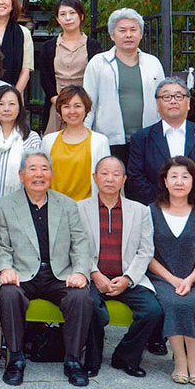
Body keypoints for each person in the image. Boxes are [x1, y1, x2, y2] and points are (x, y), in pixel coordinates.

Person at [0, 151, 94, 387]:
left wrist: (80, 272)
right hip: (22, 272)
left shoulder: (67, 205)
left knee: (80, 297)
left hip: (58, 273)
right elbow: (1, 245)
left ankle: (73, 360)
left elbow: (80, 243)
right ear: (21, 175)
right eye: (33, 169)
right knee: (8, 293)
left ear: (51, 174)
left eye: (44, 168)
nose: (39, 174)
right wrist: (5, 269)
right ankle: (15, 359)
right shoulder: (5, 205)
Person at [76, 156, 163, 377]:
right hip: (94, 276)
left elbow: (145, 251)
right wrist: (94, 273)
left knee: (152, 312)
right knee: (90, 306)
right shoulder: (79, 208)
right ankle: (92, 359)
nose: (110, 179)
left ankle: (126, 356)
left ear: (124, 179)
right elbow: (76, 247)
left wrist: (127, 279)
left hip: (128, 278)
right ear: (95, 178)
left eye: (116, 174)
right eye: (104, 173)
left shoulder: (140, 210)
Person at [147, 157, 195, 385]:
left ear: (194, 181)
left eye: (185, 176)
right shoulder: (150, 212)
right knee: (174, 302)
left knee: (191, 302)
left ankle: (194, 362)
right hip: (161, 277)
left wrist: (189, 280)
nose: (179, 182)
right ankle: (180, 361)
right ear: (164, 181)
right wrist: (172, 279)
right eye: (173, 176)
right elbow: (147, 255)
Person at [83, 7, 165, 163]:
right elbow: (88, 103)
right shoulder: (98, 63)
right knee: (110, 185)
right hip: (109, 140)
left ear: (140, 34)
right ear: (112, 35)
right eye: (122, 30)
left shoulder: (153, 63)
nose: (128, 35)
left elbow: (162, 102)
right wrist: (85, 135)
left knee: (141, 186)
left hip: (147, 139)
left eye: (133, 30)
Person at [127, 77, 195, 208]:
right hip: (154, 213)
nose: (173, 101)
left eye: (179, 96)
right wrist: (164, 208)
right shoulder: (141, 139)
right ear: (157, 104)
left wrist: (193, 208)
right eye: (166, 97)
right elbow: (136, 180)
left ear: (188, 103)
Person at [38, 0, 103, 132]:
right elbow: (45, 79)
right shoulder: (48, 47)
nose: (68, 18)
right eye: (63, 14)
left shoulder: (93, 46)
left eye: (72, 13)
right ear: (57, 19)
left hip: (85, 106)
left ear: (81, 16)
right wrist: (59, 104)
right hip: (56, 106)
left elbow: (97, 78)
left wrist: (80, 106)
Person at [42, 85, 111, 201]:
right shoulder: (48, 141)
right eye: (66, 107)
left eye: (77, 106)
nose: (72, 111)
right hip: (54, 208)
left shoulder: (100, 141)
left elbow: (105, 179)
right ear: (60, 110)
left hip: (87, 209)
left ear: (86, 109)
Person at [0, 85, 42, 199]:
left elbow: (35, 175)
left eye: (12, 104)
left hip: (21, 206)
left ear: (20, 107)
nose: (6, 109)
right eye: (1, 104)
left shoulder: (31, 139)